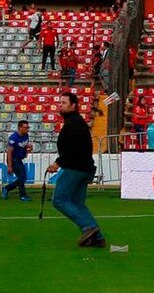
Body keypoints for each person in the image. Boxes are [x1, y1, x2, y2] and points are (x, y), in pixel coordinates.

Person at [46, 92, 105, 248]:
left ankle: (88, 227)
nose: (60, 105)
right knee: (78, 204)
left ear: (73, 105)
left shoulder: (75, 122)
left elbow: (74, 146)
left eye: (64, 103)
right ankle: (97, 237)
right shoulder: (75, 121)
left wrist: (58, 162)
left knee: (59, 200)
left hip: (75, 168)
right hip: (83, 168)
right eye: (60, 102)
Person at [1, 120, 32, 201]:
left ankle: (16, 192)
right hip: (14, 160)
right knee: (22, 177)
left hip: (19, 159)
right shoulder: (13, 138)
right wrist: (9, 166)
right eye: (25, 128)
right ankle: (11, 190)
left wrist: (28, 149)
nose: (27, 129)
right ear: (19, 128)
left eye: (27, 128)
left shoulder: (26, 136)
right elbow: (9, 152)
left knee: (22, 178)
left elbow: (24, 145)